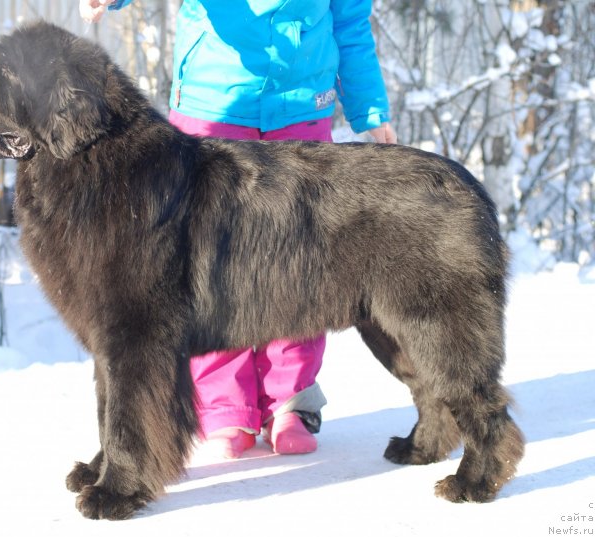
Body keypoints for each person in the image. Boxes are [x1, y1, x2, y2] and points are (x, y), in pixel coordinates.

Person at [80, 0, 397, 459]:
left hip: (300, 108)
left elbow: (348, 20)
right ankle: (226, 405)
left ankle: (291, 399)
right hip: (215, 104)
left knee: (298, 262)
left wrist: (369, 106)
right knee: (212, 266)